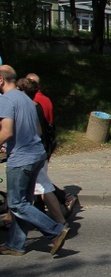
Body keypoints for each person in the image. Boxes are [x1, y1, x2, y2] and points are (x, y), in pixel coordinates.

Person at [0, 65, 69, 256]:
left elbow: (6, 131)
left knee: (16, 204)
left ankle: (56, 230)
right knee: (24, 202)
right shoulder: (27, 99)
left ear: (1, 80)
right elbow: (38, 130)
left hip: (21, 158)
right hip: (37, 154)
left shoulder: (6, 100)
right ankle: (15, 244)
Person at [16, 78, 67, 225]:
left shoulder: (30, 106)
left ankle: (57, 224)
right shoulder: (36, 105)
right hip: (40, 151)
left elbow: (36, 131)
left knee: (38, 189)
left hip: (31, 153)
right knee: (38, 187)